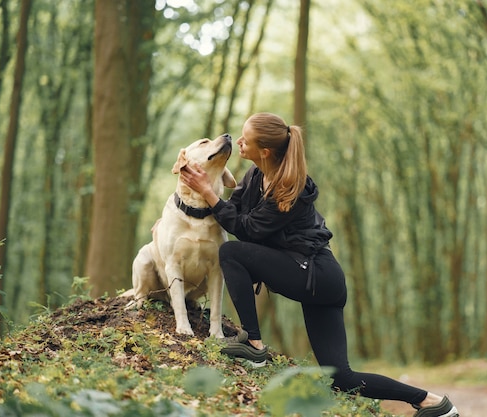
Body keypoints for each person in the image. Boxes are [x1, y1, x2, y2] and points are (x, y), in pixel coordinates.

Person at [181, 112, 459, 417]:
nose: (240, 141)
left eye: (246, 138)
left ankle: (254, 344)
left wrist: (208, 192)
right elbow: (232, 212)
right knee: (341, 378)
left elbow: (249, 230)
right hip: (313, 279)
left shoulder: (292, 188)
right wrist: (189, 207)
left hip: (318, 276)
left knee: (232, 253)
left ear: (265, 151)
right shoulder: (255, 176)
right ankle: (431, 402)